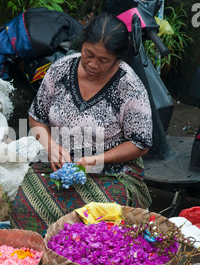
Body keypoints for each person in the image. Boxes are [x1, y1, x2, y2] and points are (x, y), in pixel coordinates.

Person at [10, 13, 153, 235]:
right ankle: (42, 264)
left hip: (111, 171)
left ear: (117, 59)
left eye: (103, 60)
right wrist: (50, 147)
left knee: (96, 224)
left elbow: (140, 143)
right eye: (89, 54)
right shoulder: (60, 70)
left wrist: (97, 160)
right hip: (57, 164)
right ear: (82, 45)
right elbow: (36, 117)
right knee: (24, 209)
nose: (93, 64)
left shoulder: (129, 87)